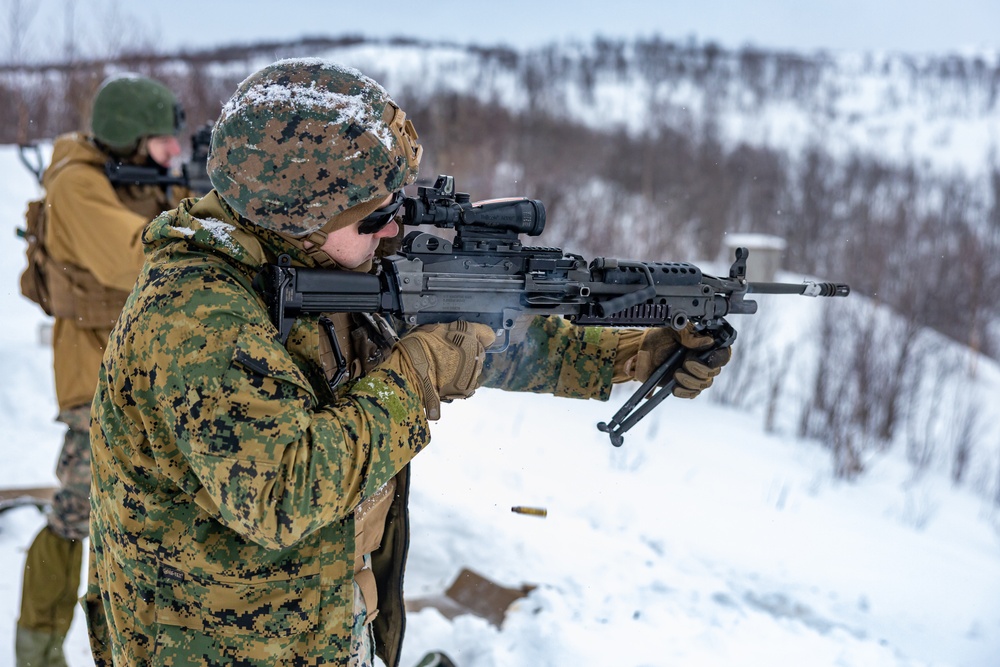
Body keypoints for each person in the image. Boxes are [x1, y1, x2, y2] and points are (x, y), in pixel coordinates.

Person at [84, 59, 731, 667]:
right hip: (209, 645)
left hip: (310, 628)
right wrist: (418, 374)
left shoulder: (317, 258)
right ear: (302, 212)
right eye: (375, 215)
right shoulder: (195, 316)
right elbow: (285, 492)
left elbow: (479, 340)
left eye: (399, 201)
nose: (394, 228)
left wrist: (639, 351)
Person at [15, 74, 189, 667]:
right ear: (129, 135)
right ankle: (37, 650)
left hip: (142, 379)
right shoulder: (77, 185)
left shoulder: (139, 179)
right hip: (97, 385)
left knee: (136, 525)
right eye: (165, 140)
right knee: (78, 519)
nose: (175, 153)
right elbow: (139, 256)